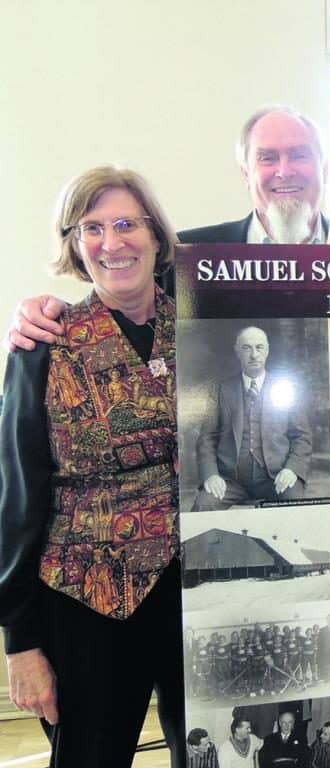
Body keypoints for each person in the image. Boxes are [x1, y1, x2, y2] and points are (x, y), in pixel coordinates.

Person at [0, 167, 184, 766]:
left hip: (197, 597)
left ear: (156, 236)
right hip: (88, 603)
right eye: (93, 228)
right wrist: (20, 643)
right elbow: (19, 499)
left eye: (127, 223)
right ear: (76, 246)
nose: (113, 242)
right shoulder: (45, 344)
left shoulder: (206, 327)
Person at [4, 105, 330, 351]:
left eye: (300, 155)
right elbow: (126, 313)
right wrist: (40, 311)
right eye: (267, 158)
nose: (284, 171)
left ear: (323, 168)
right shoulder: (188, 256)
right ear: (246, 172)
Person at [193, 325, 312, 509]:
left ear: (267, 350)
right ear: (237, 351)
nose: (254, 355)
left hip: (275, 477)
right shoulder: (220, 390)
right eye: (247, 348)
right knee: (203, 505)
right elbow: (207, 439)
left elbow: (302, 437)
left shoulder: (287, 388)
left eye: (259, 347)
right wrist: (211, 474)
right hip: (230, 481)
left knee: (296, 504)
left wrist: (291, 469)